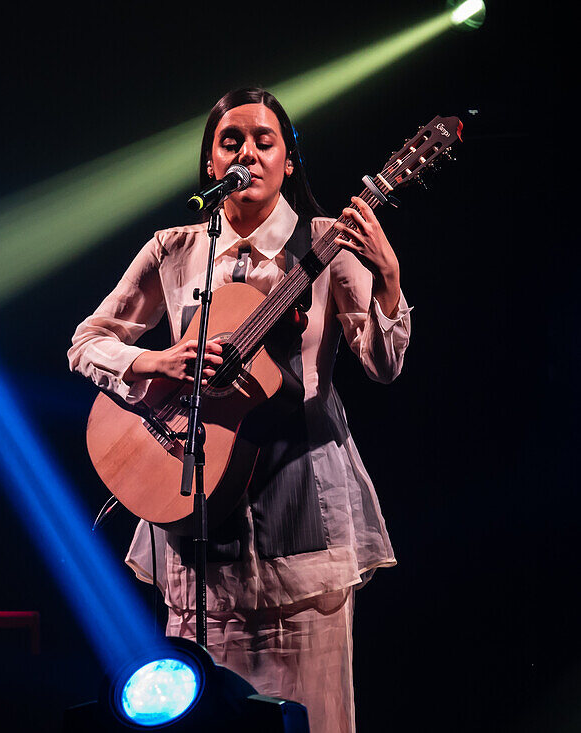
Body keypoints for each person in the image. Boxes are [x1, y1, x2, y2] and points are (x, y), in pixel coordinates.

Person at [68, 87, 411, 733]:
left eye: (264, 140)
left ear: (288, 161)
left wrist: (387, 276)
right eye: (232, 141)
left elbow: (383, 365)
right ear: (210, 164)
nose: (247, 152)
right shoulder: (175, 250)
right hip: (195, 521)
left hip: (301, 522)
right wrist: (159, 361)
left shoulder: (325, 244)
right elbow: (87, 341)